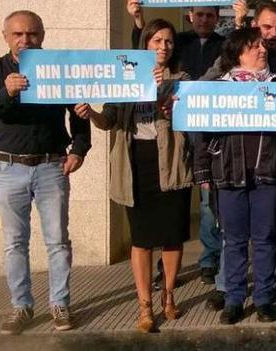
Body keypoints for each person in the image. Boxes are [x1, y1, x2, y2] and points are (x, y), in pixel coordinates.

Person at [0, 10, 91, 335]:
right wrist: (6, 92)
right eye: (18, 35)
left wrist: (79, 151)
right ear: (6, 37)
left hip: (51, 165)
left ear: (42, 34)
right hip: (8, 166)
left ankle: (60, 304)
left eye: (32, 34)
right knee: (15, 242)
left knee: (57, 241)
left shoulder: (59, 68)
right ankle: (21, 307)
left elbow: (79, 113)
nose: (26, 40)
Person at [76, 18, 193, 333]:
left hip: (170, 163)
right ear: (145, 44)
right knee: (141, 239)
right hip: (135, 163)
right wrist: (93, 114)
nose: (163, 47)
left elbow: (191, 118)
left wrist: (167, 99)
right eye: (156, 41)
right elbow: (109, 121)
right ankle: (144, 307)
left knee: (171, 237)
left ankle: (168, 295)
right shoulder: (123, 77)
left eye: (168, 41)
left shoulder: (182, 78)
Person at [204, 0, 276, 311]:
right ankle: (230, 292)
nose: (273, 35)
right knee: (231, 236)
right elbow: (201, 93)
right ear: (254, 28)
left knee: (273, 231)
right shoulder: (227, 66)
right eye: (266, 28)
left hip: (273, 163)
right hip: (229, 167)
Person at [193, 28, 276, 325]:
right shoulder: (219, 88)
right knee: (233, 240)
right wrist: (203, 171)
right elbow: (200, 131)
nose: (263, 50)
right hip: (228, 173)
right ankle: (234, 299)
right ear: (237, 53)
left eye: (263, 46)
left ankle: (263, 298)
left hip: (266, 173)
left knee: (264, 238)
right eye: (254, 46)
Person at [127, 0, 225, 286]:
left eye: (210, 15)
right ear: (190, 16)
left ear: (218, 17)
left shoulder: (222, 43)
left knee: (207, 199)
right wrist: (137, 20)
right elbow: (147, 49)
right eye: (200, 14)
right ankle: (163, 268)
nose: (204, 19)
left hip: (208, 127)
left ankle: (209, 260)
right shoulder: (178, 41)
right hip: (174, 134)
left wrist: (243, 22)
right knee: (165, 204)